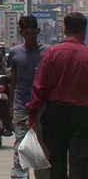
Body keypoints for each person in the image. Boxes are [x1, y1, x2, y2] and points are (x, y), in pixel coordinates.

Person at [27, 12, 88, 179]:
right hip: (83, 116)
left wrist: (32, 115)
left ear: (64, 29)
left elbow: (39, 87)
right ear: (84, 31)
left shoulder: (52, 53)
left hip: (55, 115)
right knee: (80, 163)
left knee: (56, 161)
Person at [9, 15, 50, 179]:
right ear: (21, 33)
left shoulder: (47, 52)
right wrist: (10, 106)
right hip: (21, 106)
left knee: (42, 147)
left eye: (33, 33)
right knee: (21, 146)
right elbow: (13, 81)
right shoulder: (15, 52)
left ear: (38, 32)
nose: (31, 37)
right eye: (27, 34)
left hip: (43, 107)